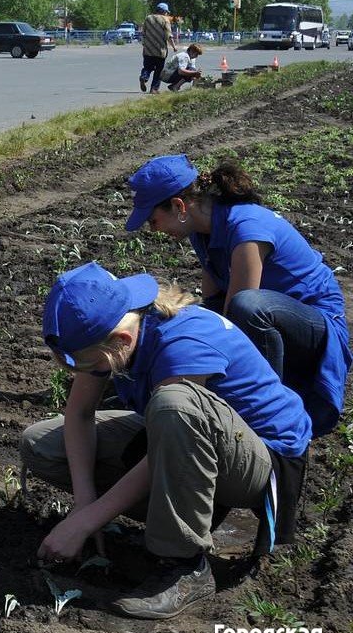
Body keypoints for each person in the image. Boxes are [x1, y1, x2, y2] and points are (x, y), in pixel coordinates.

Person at [23, 262, 312, 620]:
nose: (82, 373)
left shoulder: (182, 343)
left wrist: (85, 523)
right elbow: (79, 415)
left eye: (85, 364)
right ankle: (186, 512)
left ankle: (184, 565)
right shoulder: (121, 328)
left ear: (121, 341)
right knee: (41, 444)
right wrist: (85, 506)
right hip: (195, 439)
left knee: (174, 404)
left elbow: (174, 426)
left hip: (263, 461)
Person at [126, 155, 350, 436]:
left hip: (317, 326)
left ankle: (268, 409)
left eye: (153, 220)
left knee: (246, 306)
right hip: (273, 324)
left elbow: (238, 311)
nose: (154, 229)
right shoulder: (202, 233)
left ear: (178, 206)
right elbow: (213, 306)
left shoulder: (247, 228)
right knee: (206, 312)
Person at [140, 2, 177, 94]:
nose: (167, 14)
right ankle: (154, 89)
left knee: (147, 67)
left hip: (148, 50)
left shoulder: (148, 18)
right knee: (159, 70)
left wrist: (144, 44)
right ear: (164, 12)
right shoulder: (165, 20)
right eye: (166, 12)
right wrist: (174, 46)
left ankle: (144, 77)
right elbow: (169, 35)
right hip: (160, 50)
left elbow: (143, 32)